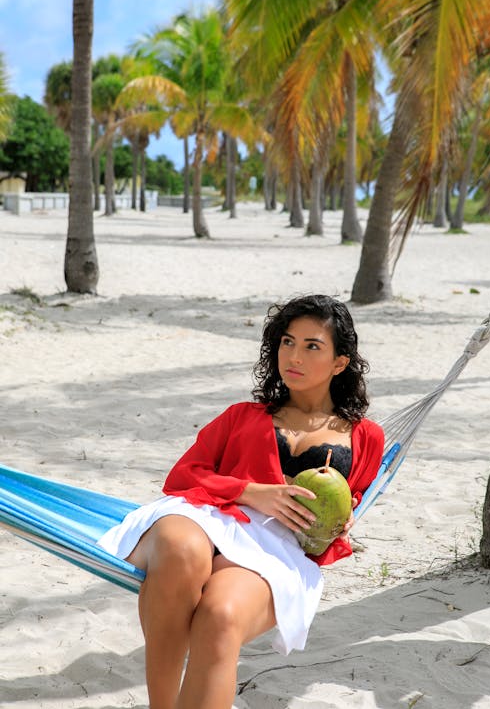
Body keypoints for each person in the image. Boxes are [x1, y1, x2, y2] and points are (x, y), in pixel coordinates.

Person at [97, 294, 384, 709]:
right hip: (202, 516)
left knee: (221, 617)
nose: (294, 356)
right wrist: (253, 492)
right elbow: (183, 477)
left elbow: (344, 510)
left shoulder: (365, 436)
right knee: (180, 550)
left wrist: (341, 523)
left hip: (272, 548)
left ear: (340, 363)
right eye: (287, 342)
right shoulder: (242, 416)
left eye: (312, 346)